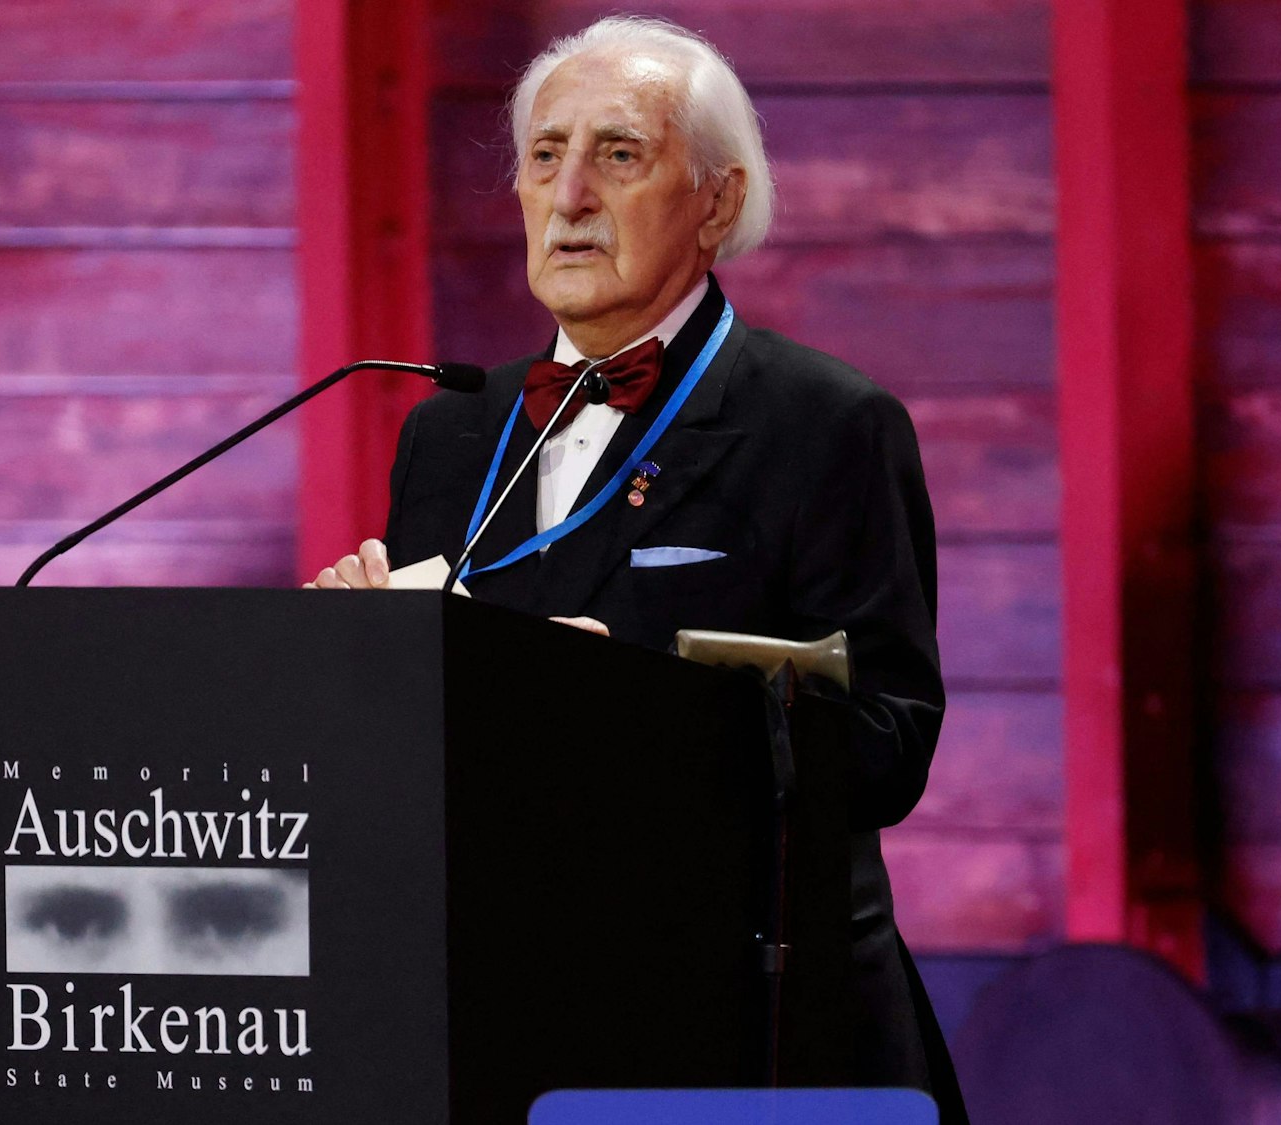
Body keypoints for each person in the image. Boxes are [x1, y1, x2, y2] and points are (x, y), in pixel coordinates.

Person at [307, 16, 965, 1118]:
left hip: (751, 1032)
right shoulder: (447, 433)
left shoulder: (827, 425)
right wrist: (361, 666)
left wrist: (632, 704)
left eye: (617, 155)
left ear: (715, 202)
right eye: (543, 156)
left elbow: (887, 746)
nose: (569, 196)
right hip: (507, 1021)